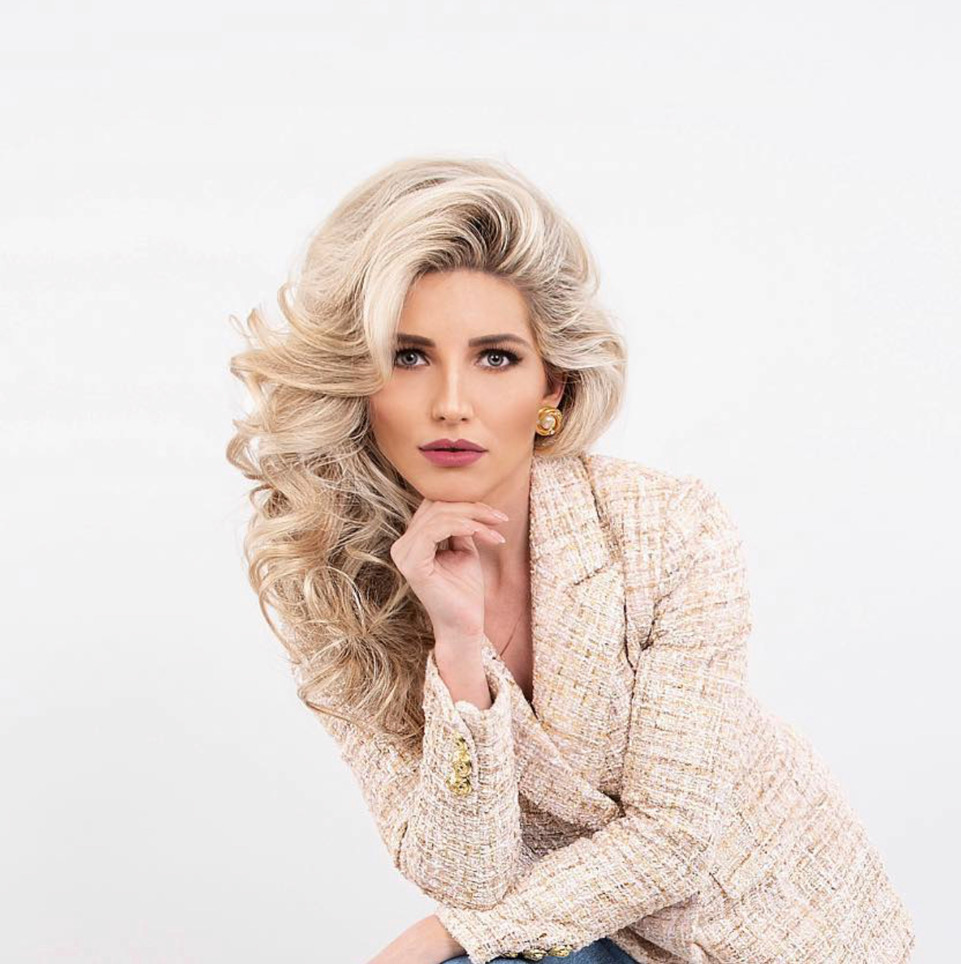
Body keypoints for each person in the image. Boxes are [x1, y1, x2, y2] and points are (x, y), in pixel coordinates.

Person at [226, 156, 916, 963]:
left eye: (495, 357)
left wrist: (441, 937)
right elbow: (466, 876)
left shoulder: (664, 527)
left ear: (551, 387)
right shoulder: (337, 591)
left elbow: (672, 838)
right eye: (408, 357)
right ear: (358, 383)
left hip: (777, 938)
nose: (451, 403)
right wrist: (456, 652)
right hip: (573, 943)